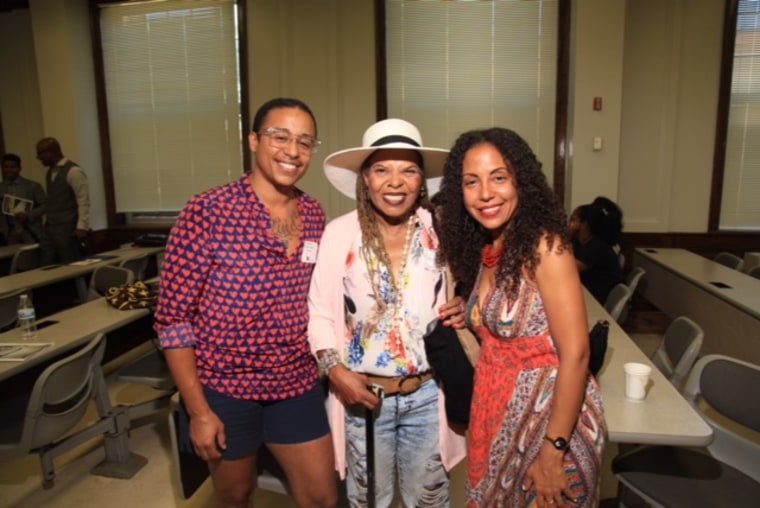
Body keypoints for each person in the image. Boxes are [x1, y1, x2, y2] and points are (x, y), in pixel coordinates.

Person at [154, 98, 337, 508]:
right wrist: (199, 412)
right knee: (236, 496)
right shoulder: (207, 211)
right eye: (280, 137)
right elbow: (173, 320)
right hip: (224, 386)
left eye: (305, 142)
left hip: (294, 381)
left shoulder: (313, 214)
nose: (293, 151)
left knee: (323, 497)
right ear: (254, 140)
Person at [437, 128, 606, 508]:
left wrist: (553, 451)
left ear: (521, 181)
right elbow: (515, 319)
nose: (485, 193)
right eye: (471, 182)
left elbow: (577, 353)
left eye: (499, 177)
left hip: (550, 421)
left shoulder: (546, 246)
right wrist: (470, 313)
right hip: (498, 414)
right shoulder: (491, 246)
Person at [308, 118, 467, 507]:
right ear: (365, 178)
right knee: (368, 501)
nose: (395, 182)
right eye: (382, 169)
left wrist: (466, 305)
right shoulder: (339, 233)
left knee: (428, 501)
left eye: (408, 170)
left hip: (428, 395)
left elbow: (476, 285)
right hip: (362, 397)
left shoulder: (443, 231)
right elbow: (318, 313)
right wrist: (336, 371)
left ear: (421, 181)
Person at [35, 137, 90, 264]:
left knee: (71, 263)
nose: (39, 158)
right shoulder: (49, 173)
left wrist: (82, 227)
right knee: (49, 264)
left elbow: (83, 200)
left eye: (40, 154)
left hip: (67, 229)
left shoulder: (73, 171)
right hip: (50, 229)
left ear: (51, 152)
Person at [568, 196, 624, 304]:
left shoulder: (597, 247)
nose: (569, 224)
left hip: (599, 302)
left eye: (573, 220)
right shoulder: (581, 243)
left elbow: (566, 270)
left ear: (584, 224)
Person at [0, 153, 46, 245]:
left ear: (19, 168)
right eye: (6, 167)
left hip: (30, 231)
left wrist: (28, 215)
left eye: (13, 167)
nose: (9, 170)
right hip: (9, 234)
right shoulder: (1, 187)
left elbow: (45, 205)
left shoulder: (33, 186)